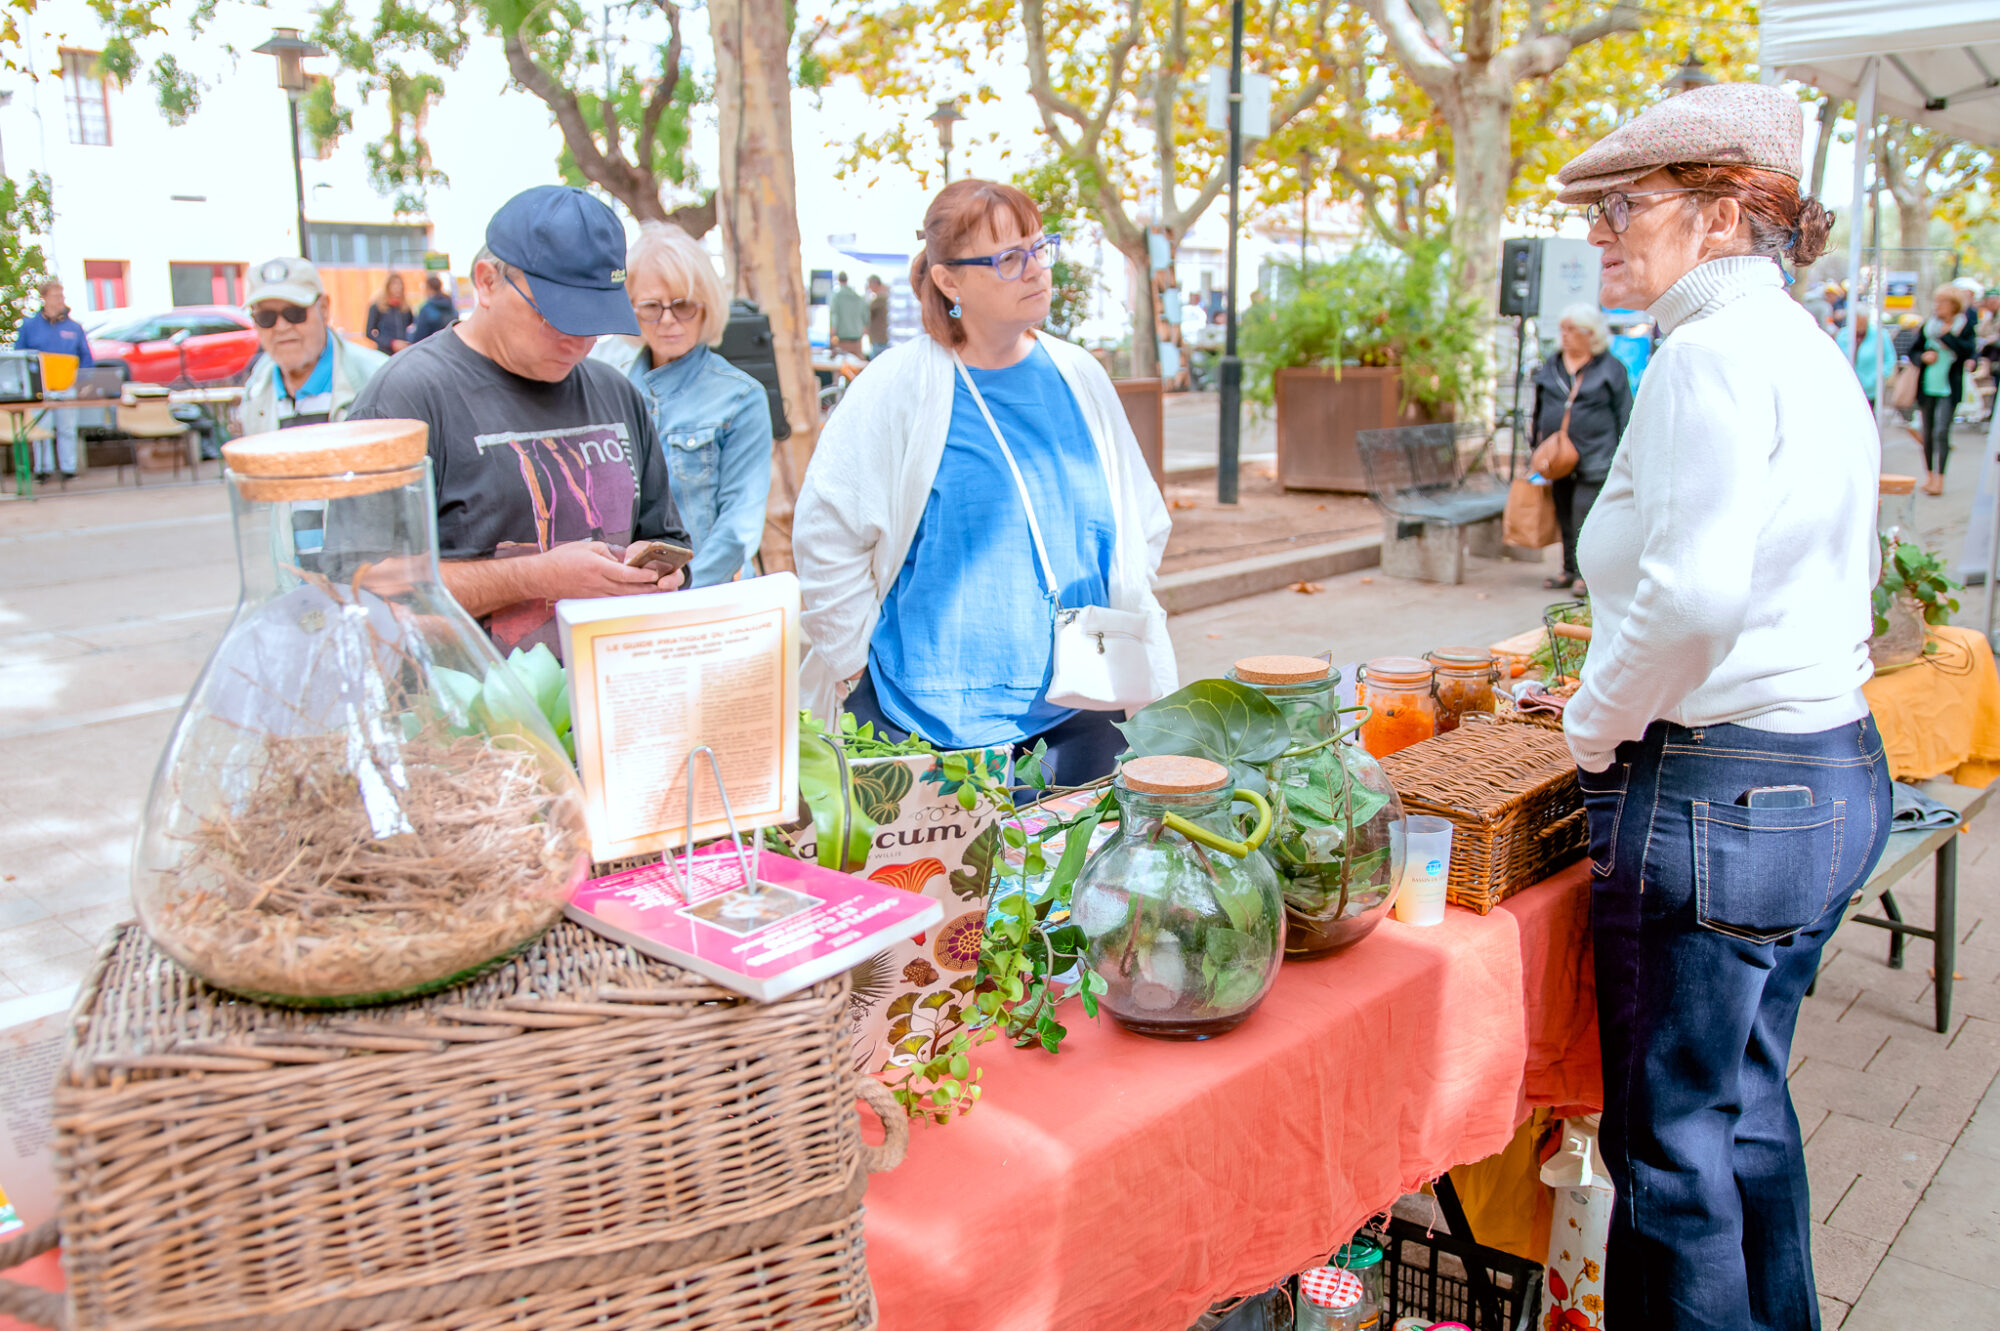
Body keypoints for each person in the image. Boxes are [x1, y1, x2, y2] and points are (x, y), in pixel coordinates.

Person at [1553, 82, 1891, 1331]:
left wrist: (1590, 722)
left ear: (1719, 215)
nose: (1599, 233)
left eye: (1623, 205)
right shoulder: (1802, 346)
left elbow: (1691, 601)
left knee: (1669, 1157)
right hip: (1829, 768)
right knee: (1742, 1113)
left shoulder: (1701, 356)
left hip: (1717, 793)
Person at [793, 179, 1175, 787]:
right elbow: (825, 535)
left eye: (1039, 247)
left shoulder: (1079, 375)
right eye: (1007, 258)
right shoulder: (898, 386)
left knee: (1078, 879)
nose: (1035, 271)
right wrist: (853, 667)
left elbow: (1139, 523)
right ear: (949, 281)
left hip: (1080, 718)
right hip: (923, 727)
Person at [345, 185, 692, 657]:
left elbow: (668, 537)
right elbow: (363, 585)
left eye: (594, 322)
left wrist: (662, 572)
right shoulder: (403, 401)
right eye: (556, 318)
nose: (578, 342)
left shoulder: (616, 393)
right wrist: (534, 576)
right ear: (487, 282)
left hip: (609, 697)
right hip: (470, 719)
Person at [623, 222, 773, 589]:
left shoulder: (740, 398)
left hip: (707, 599)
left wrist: (684, 589)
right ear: (630, 309)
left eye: (683, 305)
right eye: (651, 307)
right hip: (623, 600)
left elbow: (738, 528)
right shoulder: (611, 390)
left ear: (706, 306)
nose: (669, 320)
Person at [1529, 303, 1631, 594]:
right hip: (1557, 458)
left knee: (1585, 517)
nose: (1565, 335)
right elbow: (1538, 408)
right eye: (1563, 329)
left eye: (1572, 329)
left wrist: (1621, 456)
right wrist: (1536, 447)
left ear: (1590, 333)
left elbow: (1624, 413)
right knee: (1563, 513)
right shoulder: (1552, 365)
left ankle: (1586, 575)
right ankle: (1567, 569)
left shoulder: (1610, 368)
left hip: (1596, 455)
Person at [239, 257, 389, 436]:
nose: (281, 326)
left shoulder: (378, 379)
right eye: (266, 317)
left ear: (324, 308)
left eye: (295, 312)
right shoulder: (255, 391)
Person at [12, 279, 92, 482]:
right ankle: (43, 468)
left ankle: (68, 468)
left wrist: (84, 383)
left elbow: (86, 358)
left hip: (67, 386)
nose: (61, 300)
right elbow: (19, 356)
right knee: (42, 428)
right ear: (45, 298)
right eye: (56, 296)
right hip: (41, 387)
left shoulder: (74, 327)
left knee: (67, 428)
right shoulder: (30, 326)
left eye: (62, 296)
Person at [1912, 285, 1976, 494]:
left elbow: (1968, 351)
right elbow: (1914, 350)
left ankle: (1940, 477)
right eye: (1937, 301)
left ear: (1953, 305)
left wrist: (1947, 336)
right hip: (1928, 384)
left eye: (1943, 302)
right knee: (1928, 432)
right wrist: (1923, 357)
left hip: (1949, 386)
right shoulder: (1928, 326)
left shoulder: (1963, 326)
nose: (1938, 306)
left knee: (1941, 431)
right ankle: (1929, 475)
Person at [1834, 307, 1891, 411]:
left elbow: (1889, 358)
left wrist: (1879, 375)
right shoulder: (1843, 335)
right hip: (1847, 387)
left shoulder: (1880, 335)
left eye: (1861, 320)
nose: (1858, 324)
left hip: (1871, 388)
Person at [365, 274, 413, 354]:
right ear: (388, 287)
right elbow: (369, 333)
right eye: (395, 284)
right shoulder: (377, 307)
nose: (398, 288)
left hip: (402, 352)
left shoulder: (405, 308)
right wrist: (391, 343)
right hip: (385, 352)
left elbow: (411, 325)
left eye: (400, 284)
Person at [828, 272, 868, 357]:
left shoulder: (836, 297)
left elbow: (834, 316)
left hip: (842, 339)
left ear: (838, 280)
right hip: (857, 338)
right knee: (856, 367)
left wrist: (832, 334)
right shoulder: (858, 297)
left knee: (841, 366)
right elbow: (866, 318)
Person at [409, 273, 457, 343]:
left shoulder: (426, 309)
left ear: (428, 288)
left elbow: (419, 337)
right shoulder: (450, 305)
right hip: (450, 346)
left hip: (431, 348)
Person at [865, 275, 890, 357]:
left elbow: (867, 310)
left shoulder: (880, 298)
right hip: (883, 338)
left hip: (879, 340)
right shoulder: (885, 297)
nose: (869, 288)